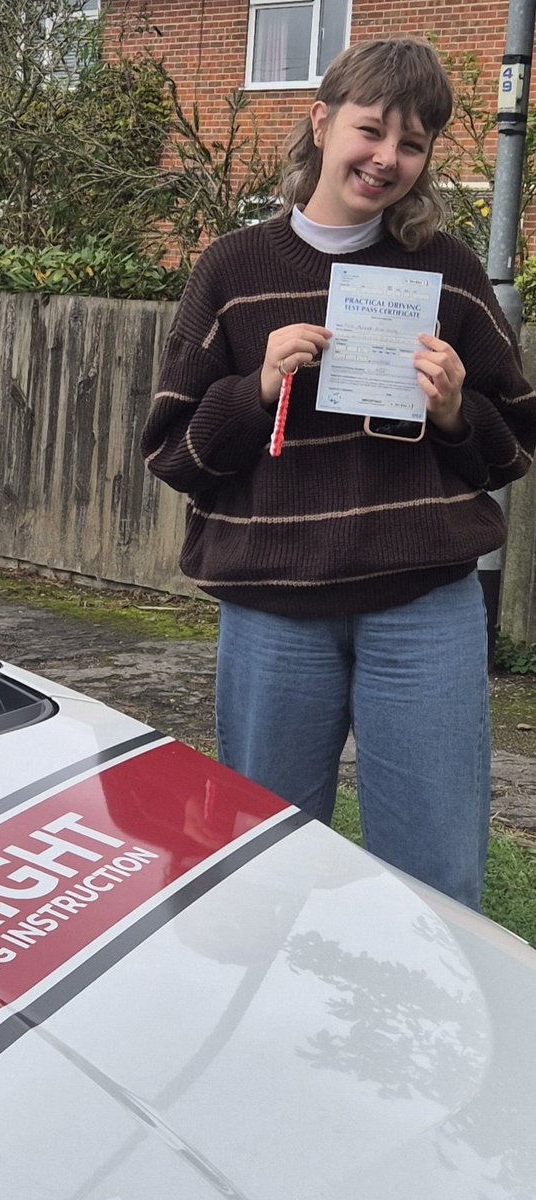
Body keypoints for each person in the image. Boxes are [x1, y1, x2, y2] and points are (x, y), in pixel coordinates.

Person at [140, 38, 536, 910]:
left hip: (424, 607)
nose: (387, 159)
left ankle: (435, 1042)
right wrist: (258, 388)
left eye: (414, 143)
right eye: (371, 130)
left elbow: (515, 446)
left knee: (437, 878)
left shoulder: (449, 272)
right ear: (320, 123)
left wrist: (456, 413)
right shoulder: (233, 270)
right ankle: (272, 1041)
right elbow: (173, 454)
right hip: (274, 611)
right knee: (261, 868)